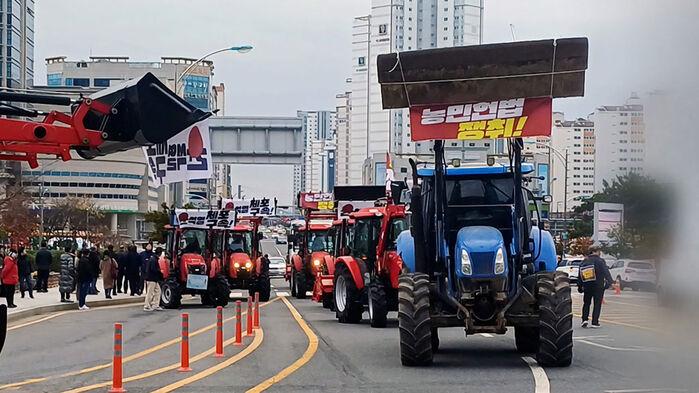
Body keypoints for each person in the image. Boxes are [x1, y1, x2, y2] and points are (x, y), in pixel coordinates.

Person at [577, 246, 614, 328]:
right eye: (599, 251)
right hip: (598, 286)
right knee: (597, 304)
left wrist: (580, 286)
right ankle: (595, 322)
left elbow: (580, 274)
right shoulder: (600, 261)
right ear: (595, 251)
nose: (600, 253)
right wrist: (610, 282)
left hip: (587, 285)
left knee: (586, 303)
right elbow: (606, 272)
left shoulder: (584, 261)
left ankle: (584, 319)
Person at [143, 247, 164, 311]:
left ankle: (155, 305)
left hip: (153, 279)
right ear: (160, 253)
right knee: (150, 292)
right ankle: (147, 306)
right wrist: (160, 271)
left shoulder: (153, 258)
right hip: (151, 278)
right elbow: (153, 269)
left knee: (158, 291)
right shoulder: (153, 260)